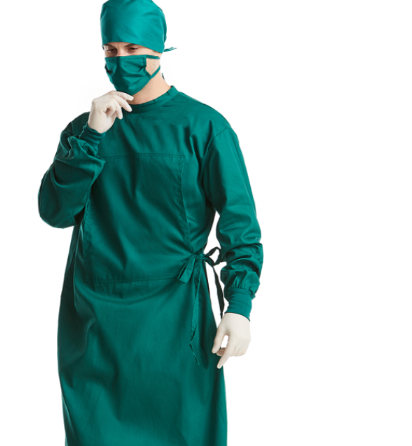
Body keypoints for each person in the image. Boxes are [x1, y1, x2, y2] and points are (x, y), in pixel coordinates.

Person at [37, 0, 264, 444]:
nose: (121, 60)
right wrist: (92, 137)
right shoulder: (84, 131)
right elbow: (55, 212)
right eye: (111, 50)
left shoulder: (203, 127)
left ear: (159, 49)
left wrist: (239, 305)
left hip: (176, 323)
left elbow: (241, 226)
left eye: (132, 48)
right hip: (96, 326)